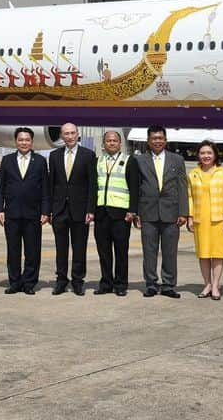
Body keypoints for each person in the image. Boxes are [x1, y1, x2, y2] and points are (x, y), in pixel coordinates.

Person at [132, 126, 189, 298]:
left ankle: (168, 285)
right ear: (148, 141)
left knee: (170, 251)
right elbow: (136, 187)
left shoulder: (177, 160)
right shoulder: (139, 160)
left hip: (171, 213)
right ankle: (150, 284)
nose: (157, 141)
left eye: (160, 138)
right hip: (147, 212)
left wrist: (183, 212)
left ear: (165, 140)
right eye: (154, 138)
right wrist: (136, 213)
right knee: (149, 251)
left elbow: (182, 187)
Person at [0, 127, 50, 295]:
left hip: (33, 214)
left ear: (31, 142)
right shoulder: (7, 160)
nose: (24, 143)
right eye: (21, 140)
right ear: (15, 141)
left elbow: (45, 189)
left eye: (27, 140)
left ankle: (29, 283)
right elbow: (1, 187)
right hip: (11, 214)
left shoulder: (40, 161)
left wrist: (45, 211)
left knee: (32, 251)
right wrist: (0, 209)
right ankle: (14, 282)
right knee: (13, 251)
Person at [47, 122, 97, 296]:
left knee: (79, 247)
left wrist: (91, 210)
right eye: (66, 133)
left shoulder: (88, 155)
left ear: (78, 134)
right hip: (59, 209)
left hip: (80, 210)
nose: (69, 136)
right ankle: (61, 280)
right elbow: (50, 185)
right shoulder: (54, 156)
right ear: (61, 136)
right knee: (61, 248)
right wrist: (49, 210)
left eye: (72, 133)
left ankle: (77, 281)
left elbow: (92, 185)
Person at [94, 130, 140, 296]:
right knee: (103, 252)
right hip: (101, 213)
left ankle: (121, 284)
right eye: (108, 141)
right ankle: (106, 283)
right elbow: (94, 188)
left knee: (121, 251)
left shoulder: (129, 161)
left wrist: (132, 210)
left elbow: (135, 187)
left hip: (121, 214)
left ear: (120, 144)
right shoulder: (97, 161)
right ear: (103, 144)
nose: (111, 143)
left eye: (114, 140)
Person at [187, 140, 223, 300]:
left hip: (218, 219)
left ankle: (215, 285)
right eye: (202, 153)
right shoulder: (193, 174)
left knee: (218, 253)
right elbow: (190, 198)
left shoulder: (222, 172)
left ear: (215, 155)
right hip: (201, 220)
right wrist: (190, 217)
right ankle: (207, 283)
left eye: (209, 153)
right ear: (198, 155)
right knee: (204, 254)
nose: (206, 156)